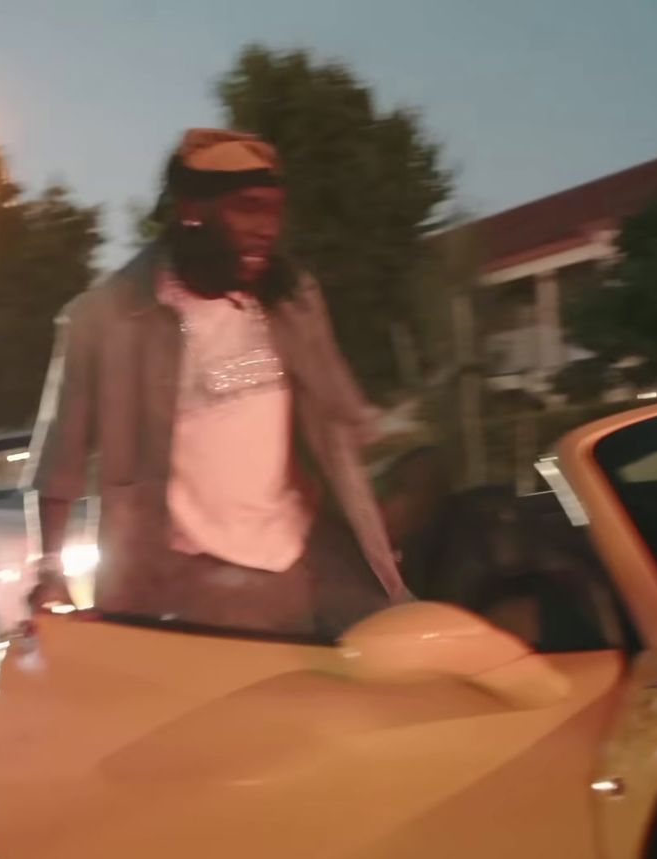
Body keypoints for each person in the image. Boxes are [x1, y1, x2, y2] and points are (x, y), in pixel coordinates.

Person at [24, 128, 409, 636]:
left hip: (311, 557)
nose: (266, 228)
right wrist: (50, 575)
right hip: (194, 580)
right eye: (247, 207)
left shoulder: (290, 294)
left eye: (274, 209)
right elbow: (60, 465)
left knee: (403, 669)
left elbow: (338, 415)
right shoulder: (106, 319)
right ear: (192, 209)